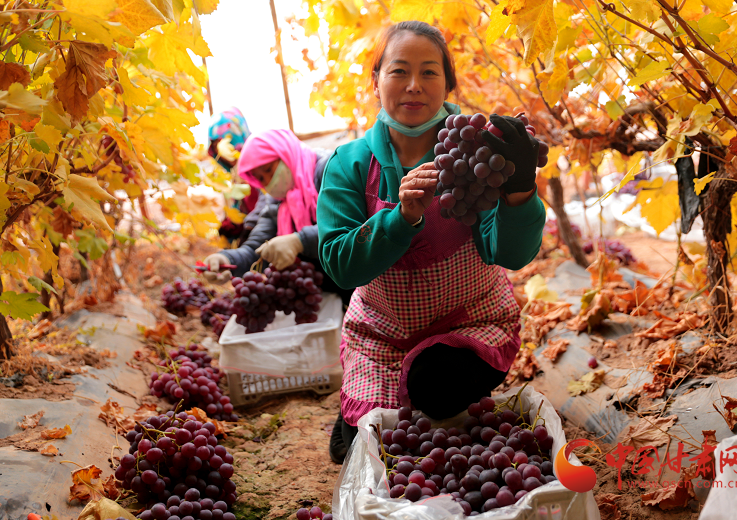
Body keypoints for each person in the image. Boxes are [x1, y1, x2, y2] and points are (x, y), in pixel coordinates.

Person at [316, 21, 547, 463]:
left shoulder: (477, 154)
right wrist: (400, 218)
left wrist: (519, 190)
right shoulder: (349, 163)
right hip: (382, 334)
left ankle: (428, 389)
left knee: (434, 389)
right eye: (399, 71)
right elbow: (340, 264)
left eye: (429, 72)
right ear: (376, 79)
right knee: (361, 452)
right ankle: (359, 402)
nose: (414, 86)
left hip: (469, 322)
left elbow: (512, 255)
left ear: (448, 83)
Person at [201, 129, 352, 303]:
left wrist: (300, 241)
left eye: (269, 170)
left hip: (363, 288)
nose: (269, 181)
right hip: (324, 298)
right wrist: (226, 258)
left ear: (285, 152)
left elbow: (349, 226)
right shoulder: (276, 201)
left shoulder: (330, 170)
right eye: (261, 179)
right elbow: (256, 249)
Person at [207, 107, 263, 244]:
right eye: (215, 145)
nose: (223, 150)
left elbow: (267, 205)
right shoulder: (232, 174)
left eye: (228, 142)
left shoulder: (260, 165)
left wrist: (248, 227)